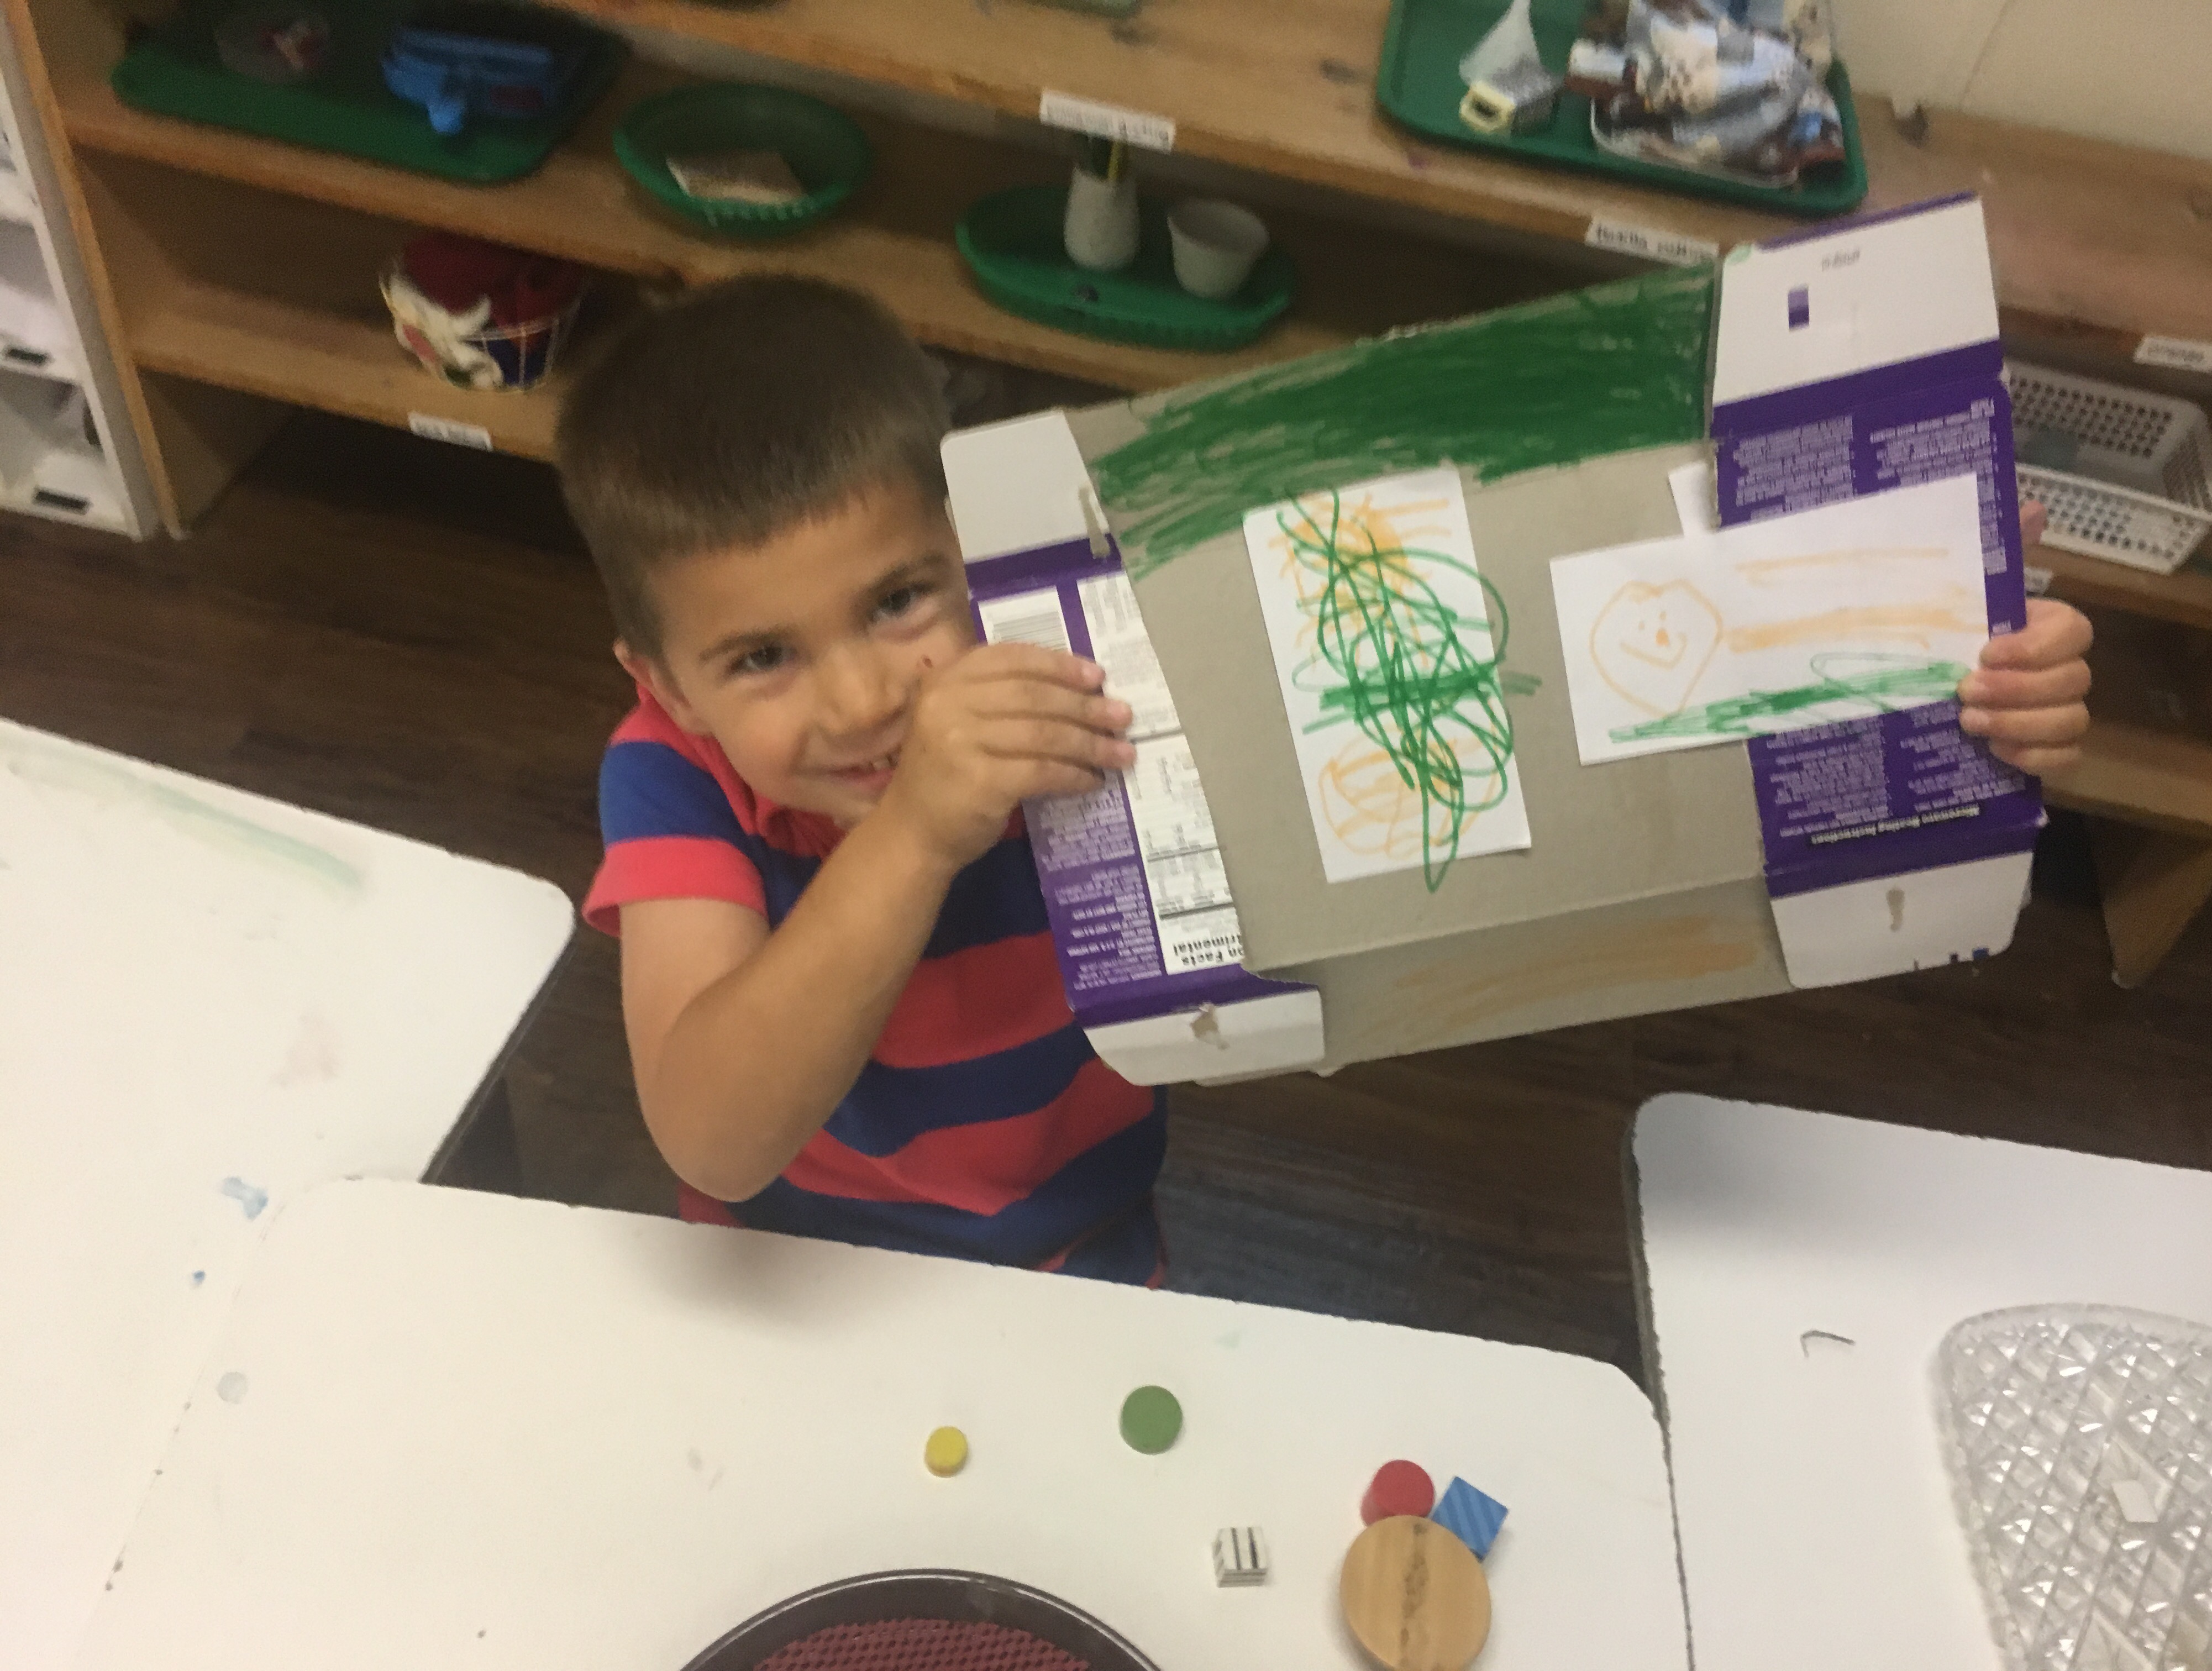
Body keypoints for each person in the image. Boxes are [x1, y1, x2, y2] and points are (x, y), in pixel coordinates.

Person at [557, 276, 2093, 1285]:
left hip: (1088, 1249)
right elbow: (712, 1135)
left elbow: (1562, 686)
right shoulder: (671, 782)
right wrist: (914, 831)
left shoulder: (1084, 659)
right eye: (761, 657)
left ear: (980, 555)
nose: (862, 699)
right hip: (791, 1271)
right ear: (663, 682)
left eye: (901, 598)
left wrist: (1931, 655)